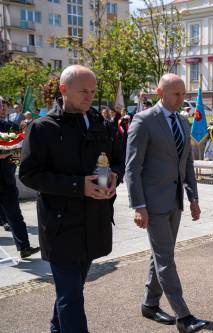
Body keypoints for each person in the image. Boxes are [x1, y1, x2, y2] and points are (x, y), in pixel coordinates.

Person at [19, 65, 124, 332]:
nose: (89, 97)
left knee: (72, 290)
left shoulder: (102, 124)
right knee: (72, 297)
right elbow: (30, 175)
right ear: (63, 90)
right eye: (83, 92)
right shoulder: (42, 128)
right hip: (61, 226)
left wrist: (114, 177)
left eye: (92, 91)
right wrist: (79, 186)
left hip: (94, 223)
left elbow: (120, 160)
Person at [125, 73, 207, 333]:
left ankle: (149, 304)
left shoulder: (182, 122)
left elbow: (188, 164)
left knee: (162, 255)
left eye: (184, 94)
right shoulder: (143, 120)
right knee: (165, 259)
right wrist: (138, 205)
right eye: (176, 94)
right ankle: (183, 316)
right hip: (152, 204)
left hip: (175, 202)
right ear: (160, 92)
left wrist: (193, 198)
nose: (182, 99)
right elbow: (132, 168)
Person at [0, 104, 39, 259]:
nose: (2, 109)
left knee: (14, 215)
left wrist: (10, 161)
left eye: (3, 106)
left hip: (6, 178)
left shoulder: (10, 126)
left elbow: (17, 152)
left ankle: (24, 247)